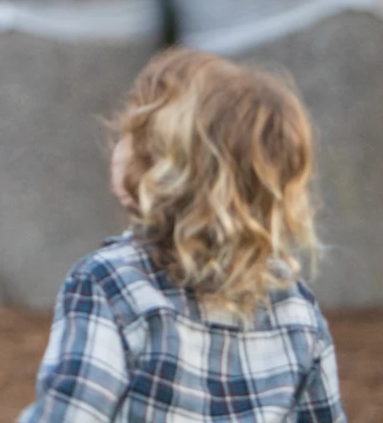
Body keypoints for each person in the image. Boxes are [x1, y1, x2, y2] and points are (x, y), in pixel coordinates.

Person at [19, 48, 345, 423]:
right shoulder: (296, 307)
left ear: (162, 169)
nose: (117, 143)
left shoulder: (111, 285)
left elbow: (70, 414)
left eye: (133, 134)